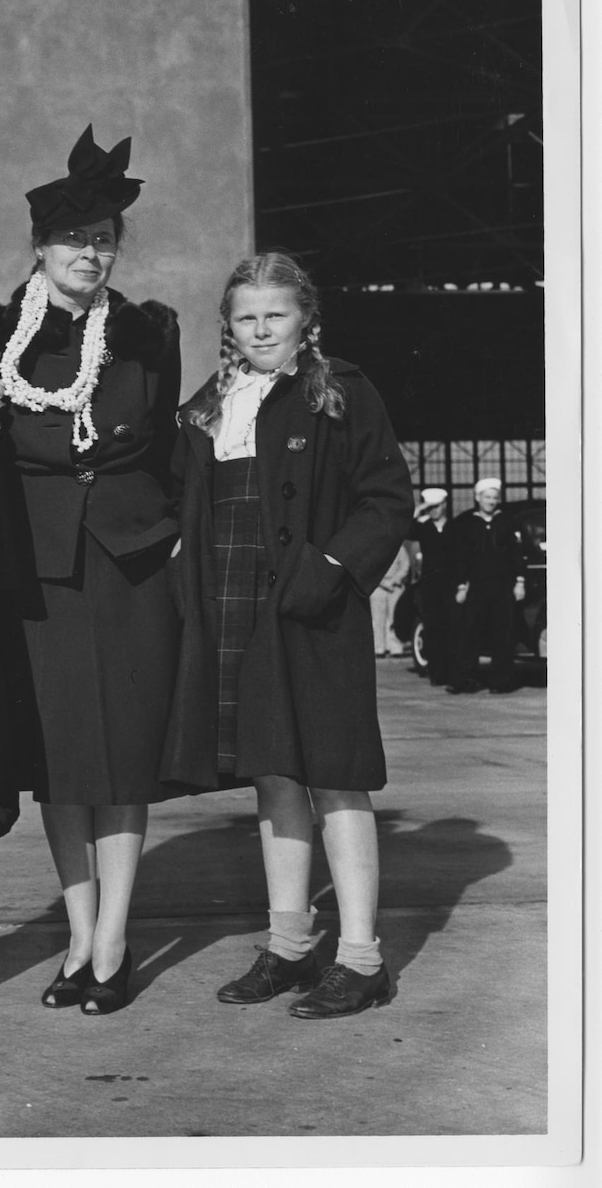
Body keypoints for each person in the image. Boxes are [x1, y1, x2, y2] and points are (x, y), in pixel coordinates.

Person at [0, 126, 182, 1015]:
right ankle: (78, 936)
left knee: (122, 759)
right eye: (74, 239)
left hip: (130, 567)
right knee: (60, 762)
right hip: (39, 570)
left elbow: (165, 450)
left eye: (105, 240)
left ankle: (115, 940)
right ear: (39, 246)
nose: (92, 254)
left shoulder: (146, 331)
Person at [162, 252, 413, 1019]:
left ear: (305, 317)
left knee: (333, 774)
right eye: (246, 316)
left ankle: (361, 957)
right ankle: (289, 944)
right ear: (228, 326)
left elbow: (385, 498)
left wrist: (328, 569)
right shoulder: (209, 404)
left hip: (310, 607)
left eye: (275, 313)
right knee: (272, 775)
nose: (261, 327)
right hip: (234, 601)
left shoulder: (340, 389)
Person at [446, 477, 526, 695]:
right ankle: (463, 680)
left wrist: (520, 582)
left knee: (503, 634)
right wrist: (462, 586)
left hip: (503, 587)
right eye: (487, 497)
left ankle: (501, 682)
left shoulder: (507, 522)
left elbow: (516, 554)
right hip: (477, 588)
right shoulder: (467, 524)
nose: (491, 501)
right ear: (477, 498)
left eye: (494, 498)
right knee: (469, 634)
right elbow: (461, 558)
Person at [407, 486, 455, 684]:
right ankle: (436, 673)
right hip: (430, 586)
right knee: (433, 628)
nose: (434, 510)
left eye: (438, 506)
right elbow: (405, 529)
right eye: (431, 507)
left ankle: (451, 671)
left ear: (445, 505)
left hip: (451, 584)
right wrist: (418, 510)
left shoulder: (454, 526)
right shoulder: (423, 527)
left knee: (451, 628)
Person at [369, 542, 410, 657]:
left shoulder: (400, 549)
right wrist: (383, 582)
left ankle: (395, 647)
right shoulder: (375, 549)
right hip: (378, 587)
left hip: (395, 587)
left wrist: (394, 580)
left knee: (394, 618)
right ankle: (379, 647)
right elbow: (371, 568)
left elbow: (405, 566)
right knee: (378, 618)